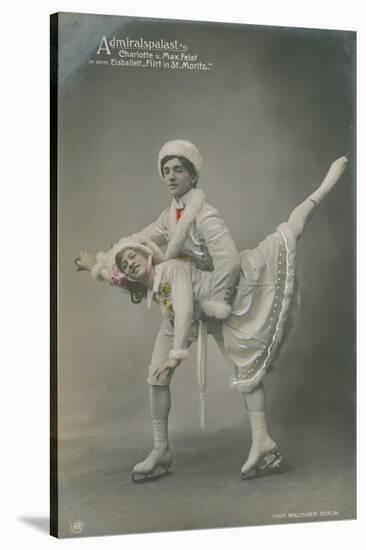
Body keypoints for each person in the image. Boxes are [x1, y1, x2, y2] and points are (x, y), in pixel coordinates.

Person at [76, 155, 348, 482]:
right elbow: (133, 253)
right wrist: (100, 263)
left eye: (179, 169)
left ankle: (263, 443)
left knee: (287, 236)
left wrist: (212, 303)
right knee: (156, 376)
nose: (171, 176)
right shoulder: (167, 219)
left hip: (227, 291)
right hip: (181, 302)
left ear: (193, 175)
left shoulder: (205, 215)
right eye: (166, 171)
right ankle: (161, 449)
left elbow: (229, 264)